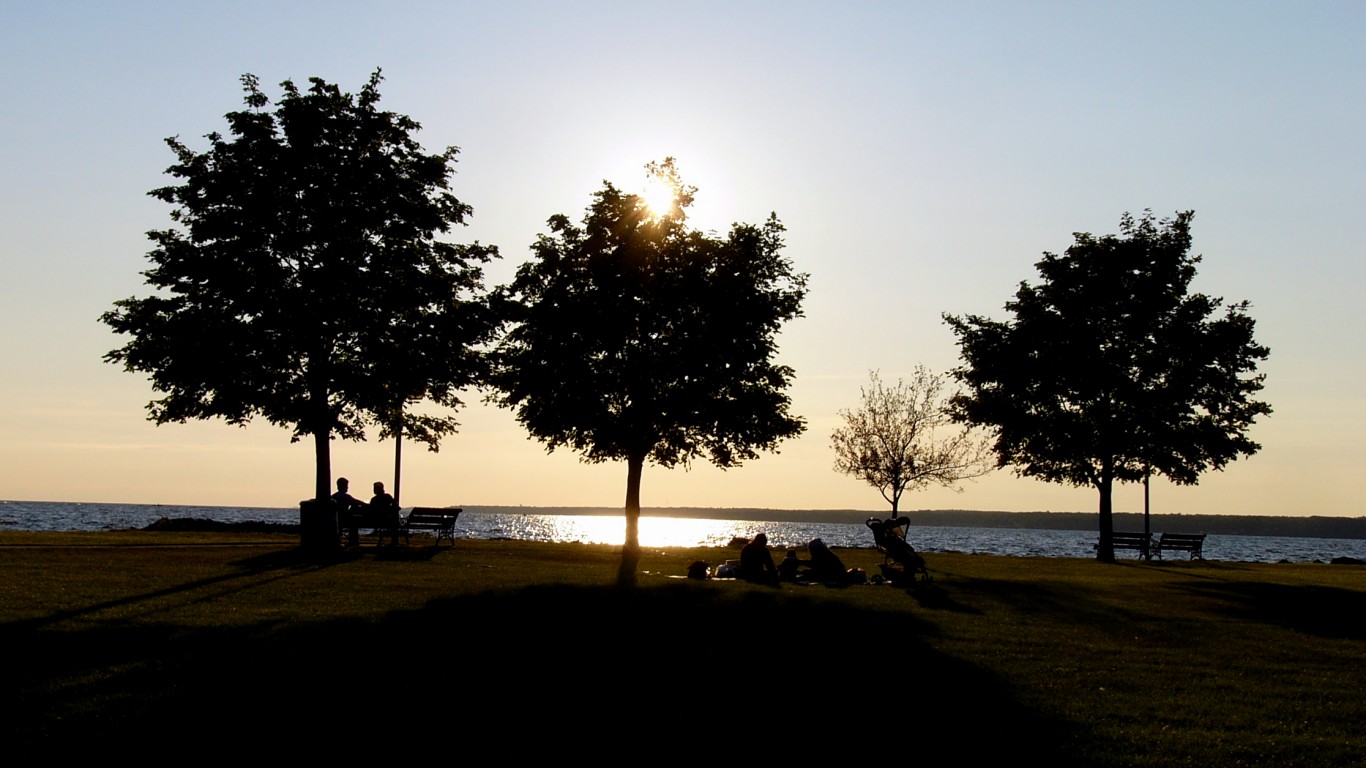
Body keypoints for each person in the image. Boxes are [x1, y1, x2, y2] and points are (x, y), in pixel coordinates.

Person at [332, 477, 367, 547]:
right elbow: (357, 502)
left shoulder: (333, 496)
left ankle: (350, 541)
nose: (347, 487)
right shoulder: (345, 497)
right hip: (344, 518)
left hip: (336, 519)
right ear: (343, 486)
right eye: (346, 486)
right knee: (354, 522)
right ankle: (354, 541)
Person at [369, 481, 401, 546]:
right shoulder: (387, 497)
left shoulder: (374, 500)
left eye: (375, 488)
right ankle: (394, 541)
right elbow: (397, 507)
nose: (374, 490)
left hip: (375, 521)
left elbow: (371, 511)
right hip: (388, 521)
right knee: (394, 520)